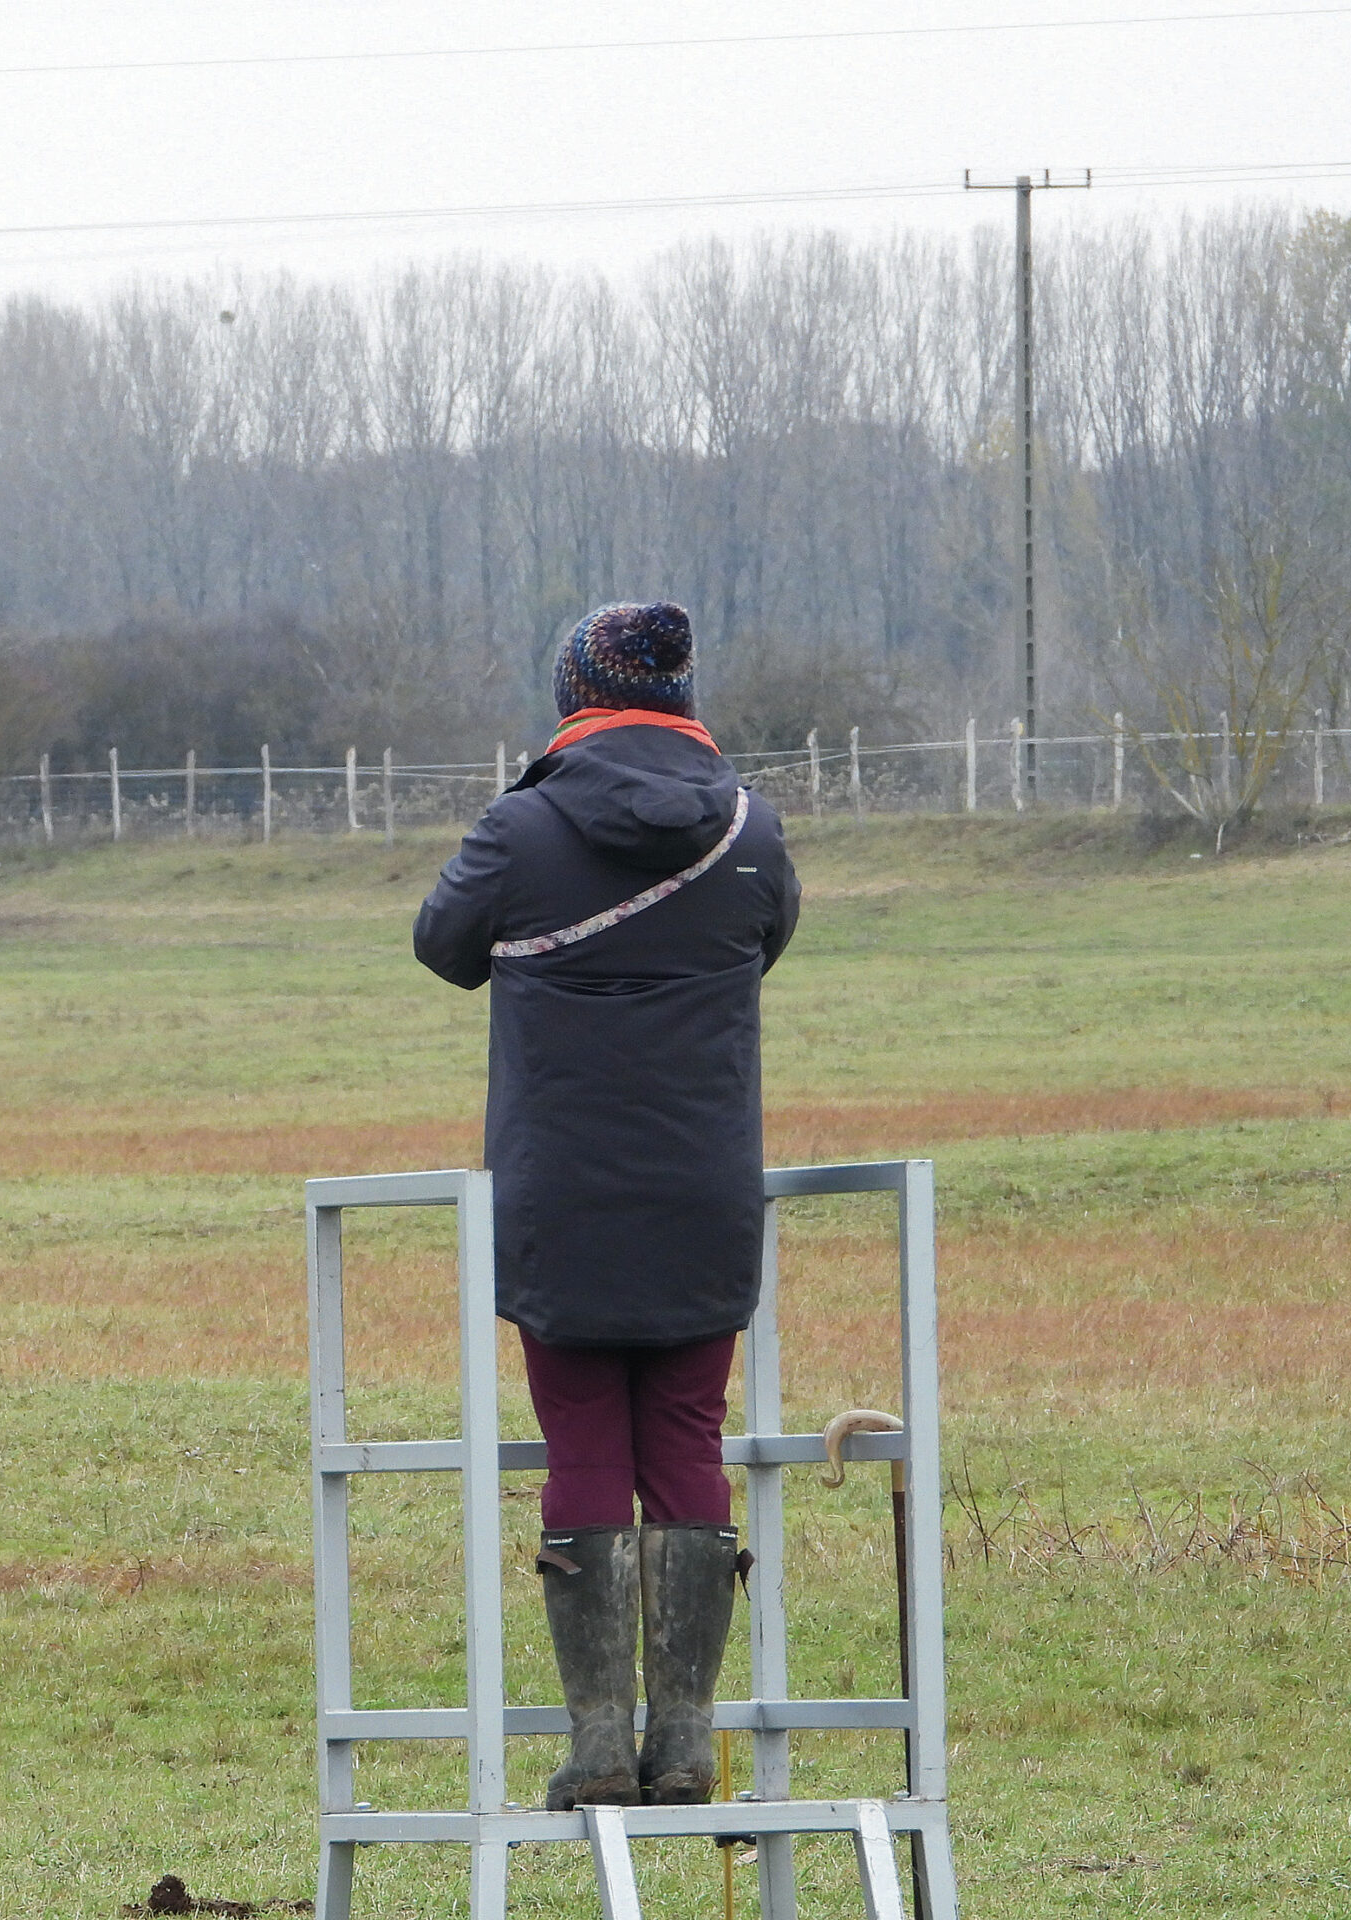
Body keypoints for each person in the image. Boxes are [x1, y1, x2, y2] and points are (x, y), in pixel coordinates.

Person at [413, 601, 800, 1811]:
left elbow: (440, 944)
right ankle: (684, 1745)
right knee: (686, 1435)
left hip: (561, 1197)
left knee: (581, 1440)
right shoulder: (749, 830)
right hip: (702, 1189)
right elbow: (766, 938)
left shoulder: (521, 828)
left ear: (575, 694)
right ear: (683, 696)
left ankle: (595, 1749)